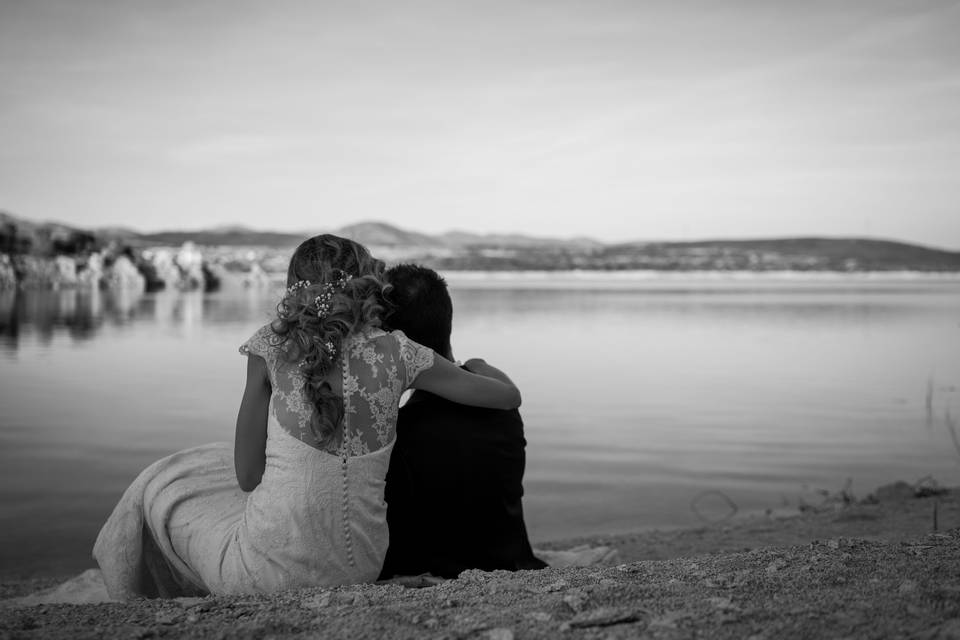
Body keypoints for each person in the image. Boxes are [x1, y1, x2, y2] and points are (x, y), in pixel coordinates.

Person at [92, 235, 521, 599]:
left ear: (293, 288)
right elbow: (506, 397)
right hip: (364, 568)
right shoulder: (402, 352)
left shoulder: (269, 349)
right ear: (368, 287)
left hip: (263, 574)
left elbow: (247, 476)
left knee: (159, 490)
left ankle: (130, 588)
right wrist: (478, 362)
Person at [379, 264, 547, 579]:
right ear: (446, 316)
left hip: (439, 572)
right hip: (512, 561)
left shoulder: (394, 432)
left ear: (389, 338)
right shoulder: (501, 399)